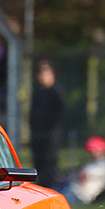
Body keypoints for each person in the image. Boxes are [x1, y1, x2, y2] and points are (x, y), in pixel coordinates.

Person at [30, 60, 65, 188]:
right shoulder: (38, 93)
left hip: (50, 135)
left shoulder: (56, 92)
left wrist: (50, 129)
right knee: (38, 162)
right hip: (37, 134)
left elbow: (58, 114)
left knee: (49, 163)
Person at [57, 136, 105, 205]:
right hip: (72, 190)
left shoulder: (102, 165)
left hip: (80, 195)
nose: (91, 153)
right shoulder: (92, 163)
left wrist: (67, 177)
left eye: (94, 150)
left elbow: (82, 176)